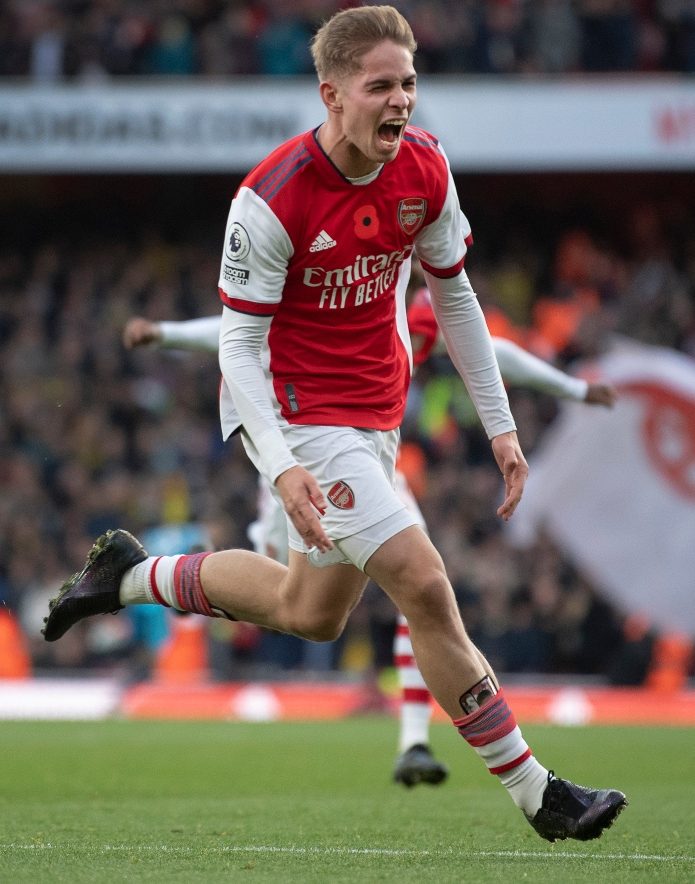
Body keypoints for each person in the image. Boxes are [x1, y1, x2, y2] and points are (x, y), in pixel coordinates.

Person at [43, 5, 626, 841]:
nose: (400, 101)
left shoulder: (424, 169)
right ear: (331, 94)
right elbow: (239, 349)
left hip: (373, 414)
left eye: (408, 84)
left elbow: (455, 299)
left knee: (309, 610)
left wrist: (499, 426)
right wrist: (282, 465)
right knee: (423, 582)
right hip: (294, 411)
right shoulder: (270, 198)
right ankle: (540, 795)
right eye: (380, 86)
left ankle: (129, 576)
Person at [121, 298, 616, 787]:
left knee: (420, 585)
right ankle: (150, 579)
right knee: (303, 607)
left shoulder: (408, 305)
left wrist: (570, 389)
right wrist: (167, 334)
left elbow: (488, 350)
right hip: (299, 455)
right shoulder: (330, 288)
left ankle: (420, 742)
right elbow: (236, 329)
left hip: (371, 463)